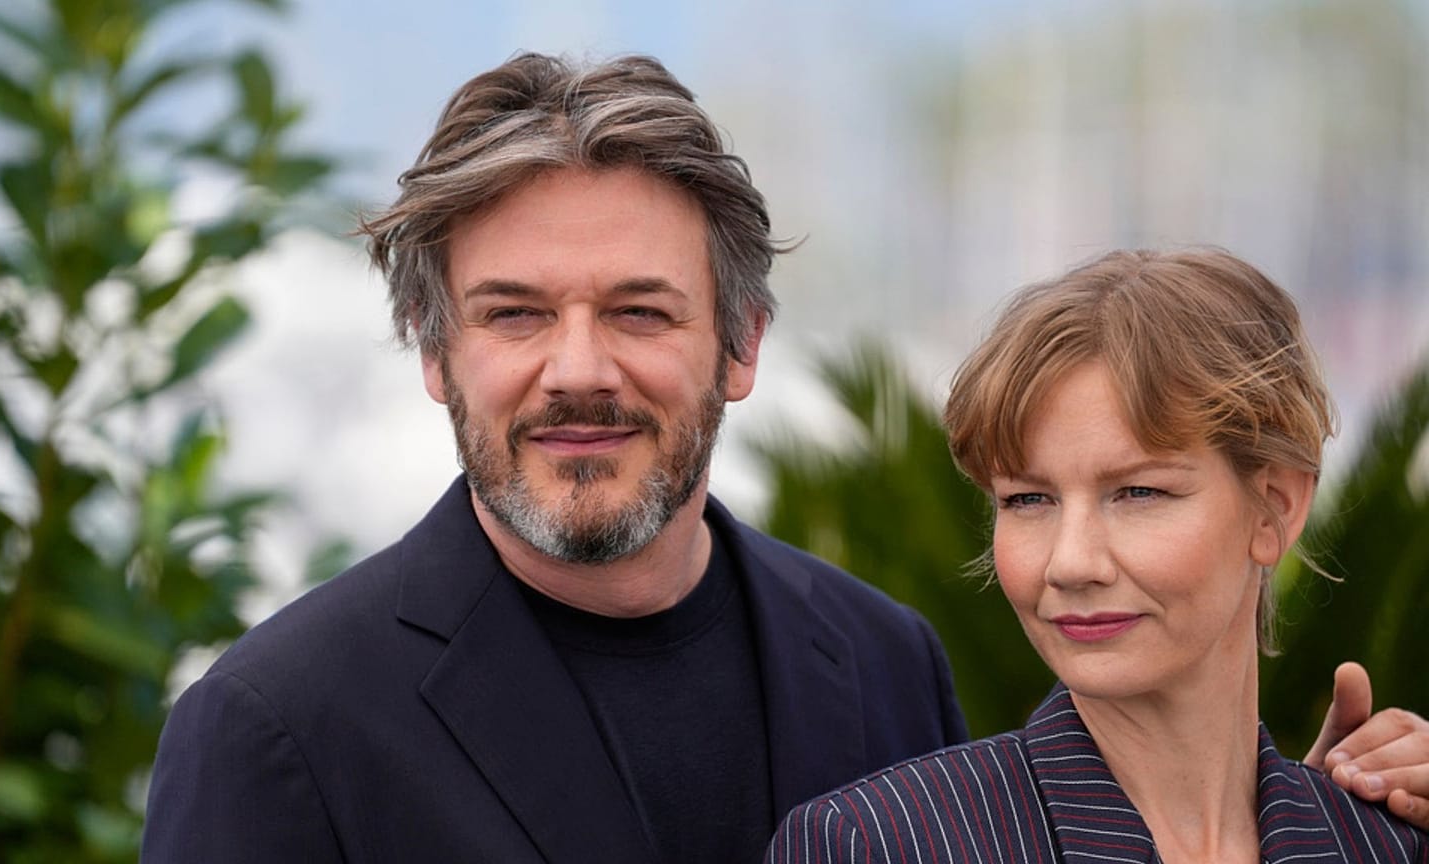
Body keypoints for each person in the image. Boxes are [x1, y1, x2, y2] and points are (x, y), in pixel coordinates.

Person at [142, 54, 1427, 864]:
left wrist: (1302, 822)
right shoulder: (272, 729)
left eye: (639, 311)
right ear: (436, 354)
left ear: (742, 344)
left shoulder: (879, 658)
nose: (577, 367)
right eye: (514, 313)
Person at [767, 249, 1429, 862]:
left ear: (1276, 506)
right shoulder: (877, 844)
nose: (1071, 562)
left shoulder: (1391, 844)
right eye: (1027, 500)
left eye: (1138, 492)